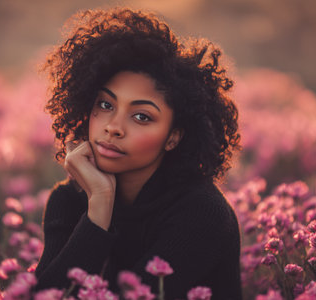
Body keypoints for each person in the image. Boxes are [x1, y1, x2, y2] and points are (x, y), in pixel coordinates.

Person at [34, 7, 242, 300]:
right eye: (106, 105)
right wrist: (99, 208)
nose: (114, 128)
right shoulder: (69, 200)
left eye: (142, 116)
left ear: (173, 137)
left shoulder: (202, 214)